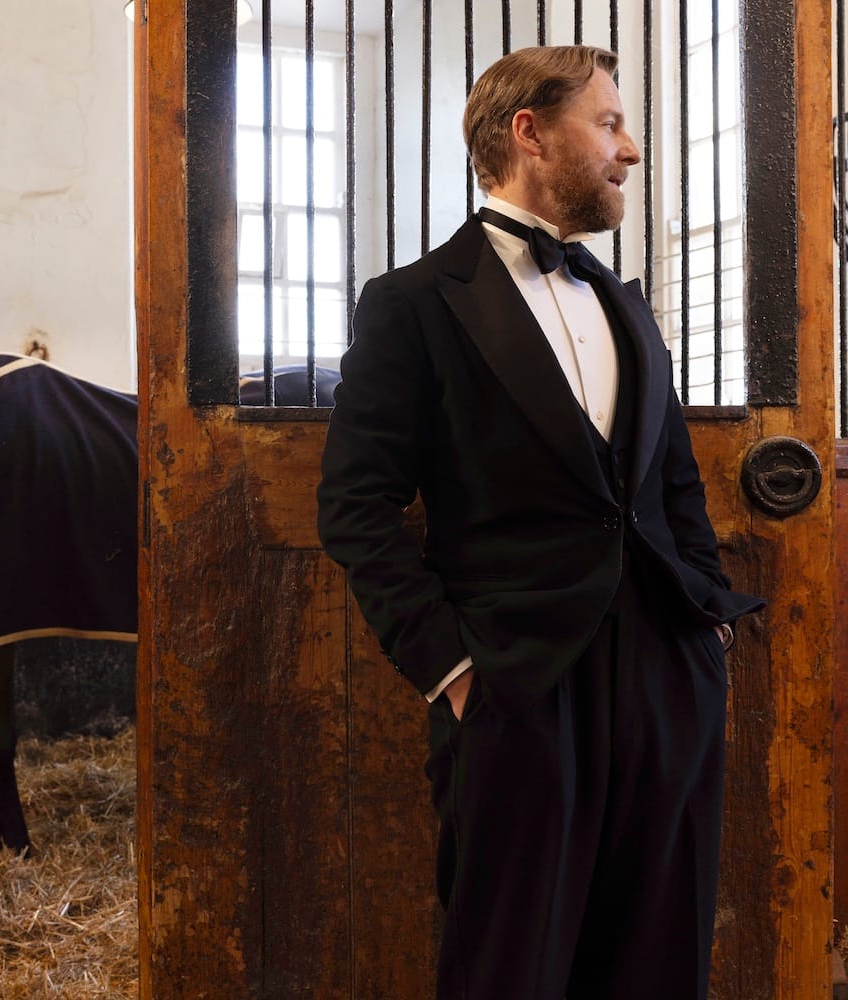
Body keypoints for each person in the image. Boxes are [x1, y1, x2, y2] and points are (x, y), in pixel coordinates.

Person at [316, 45, 764, 999]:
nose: (630, 148)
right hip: (515, 687)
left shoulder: (626, 306)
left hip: (667, 675)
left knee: (660, 957)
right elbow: (354, 505)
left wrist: (705, 623)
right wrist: (451, 669)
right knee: (510, 968)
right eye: (608, 123)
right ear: (530, 132)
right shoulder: (412, 305)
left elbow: (674, 484)